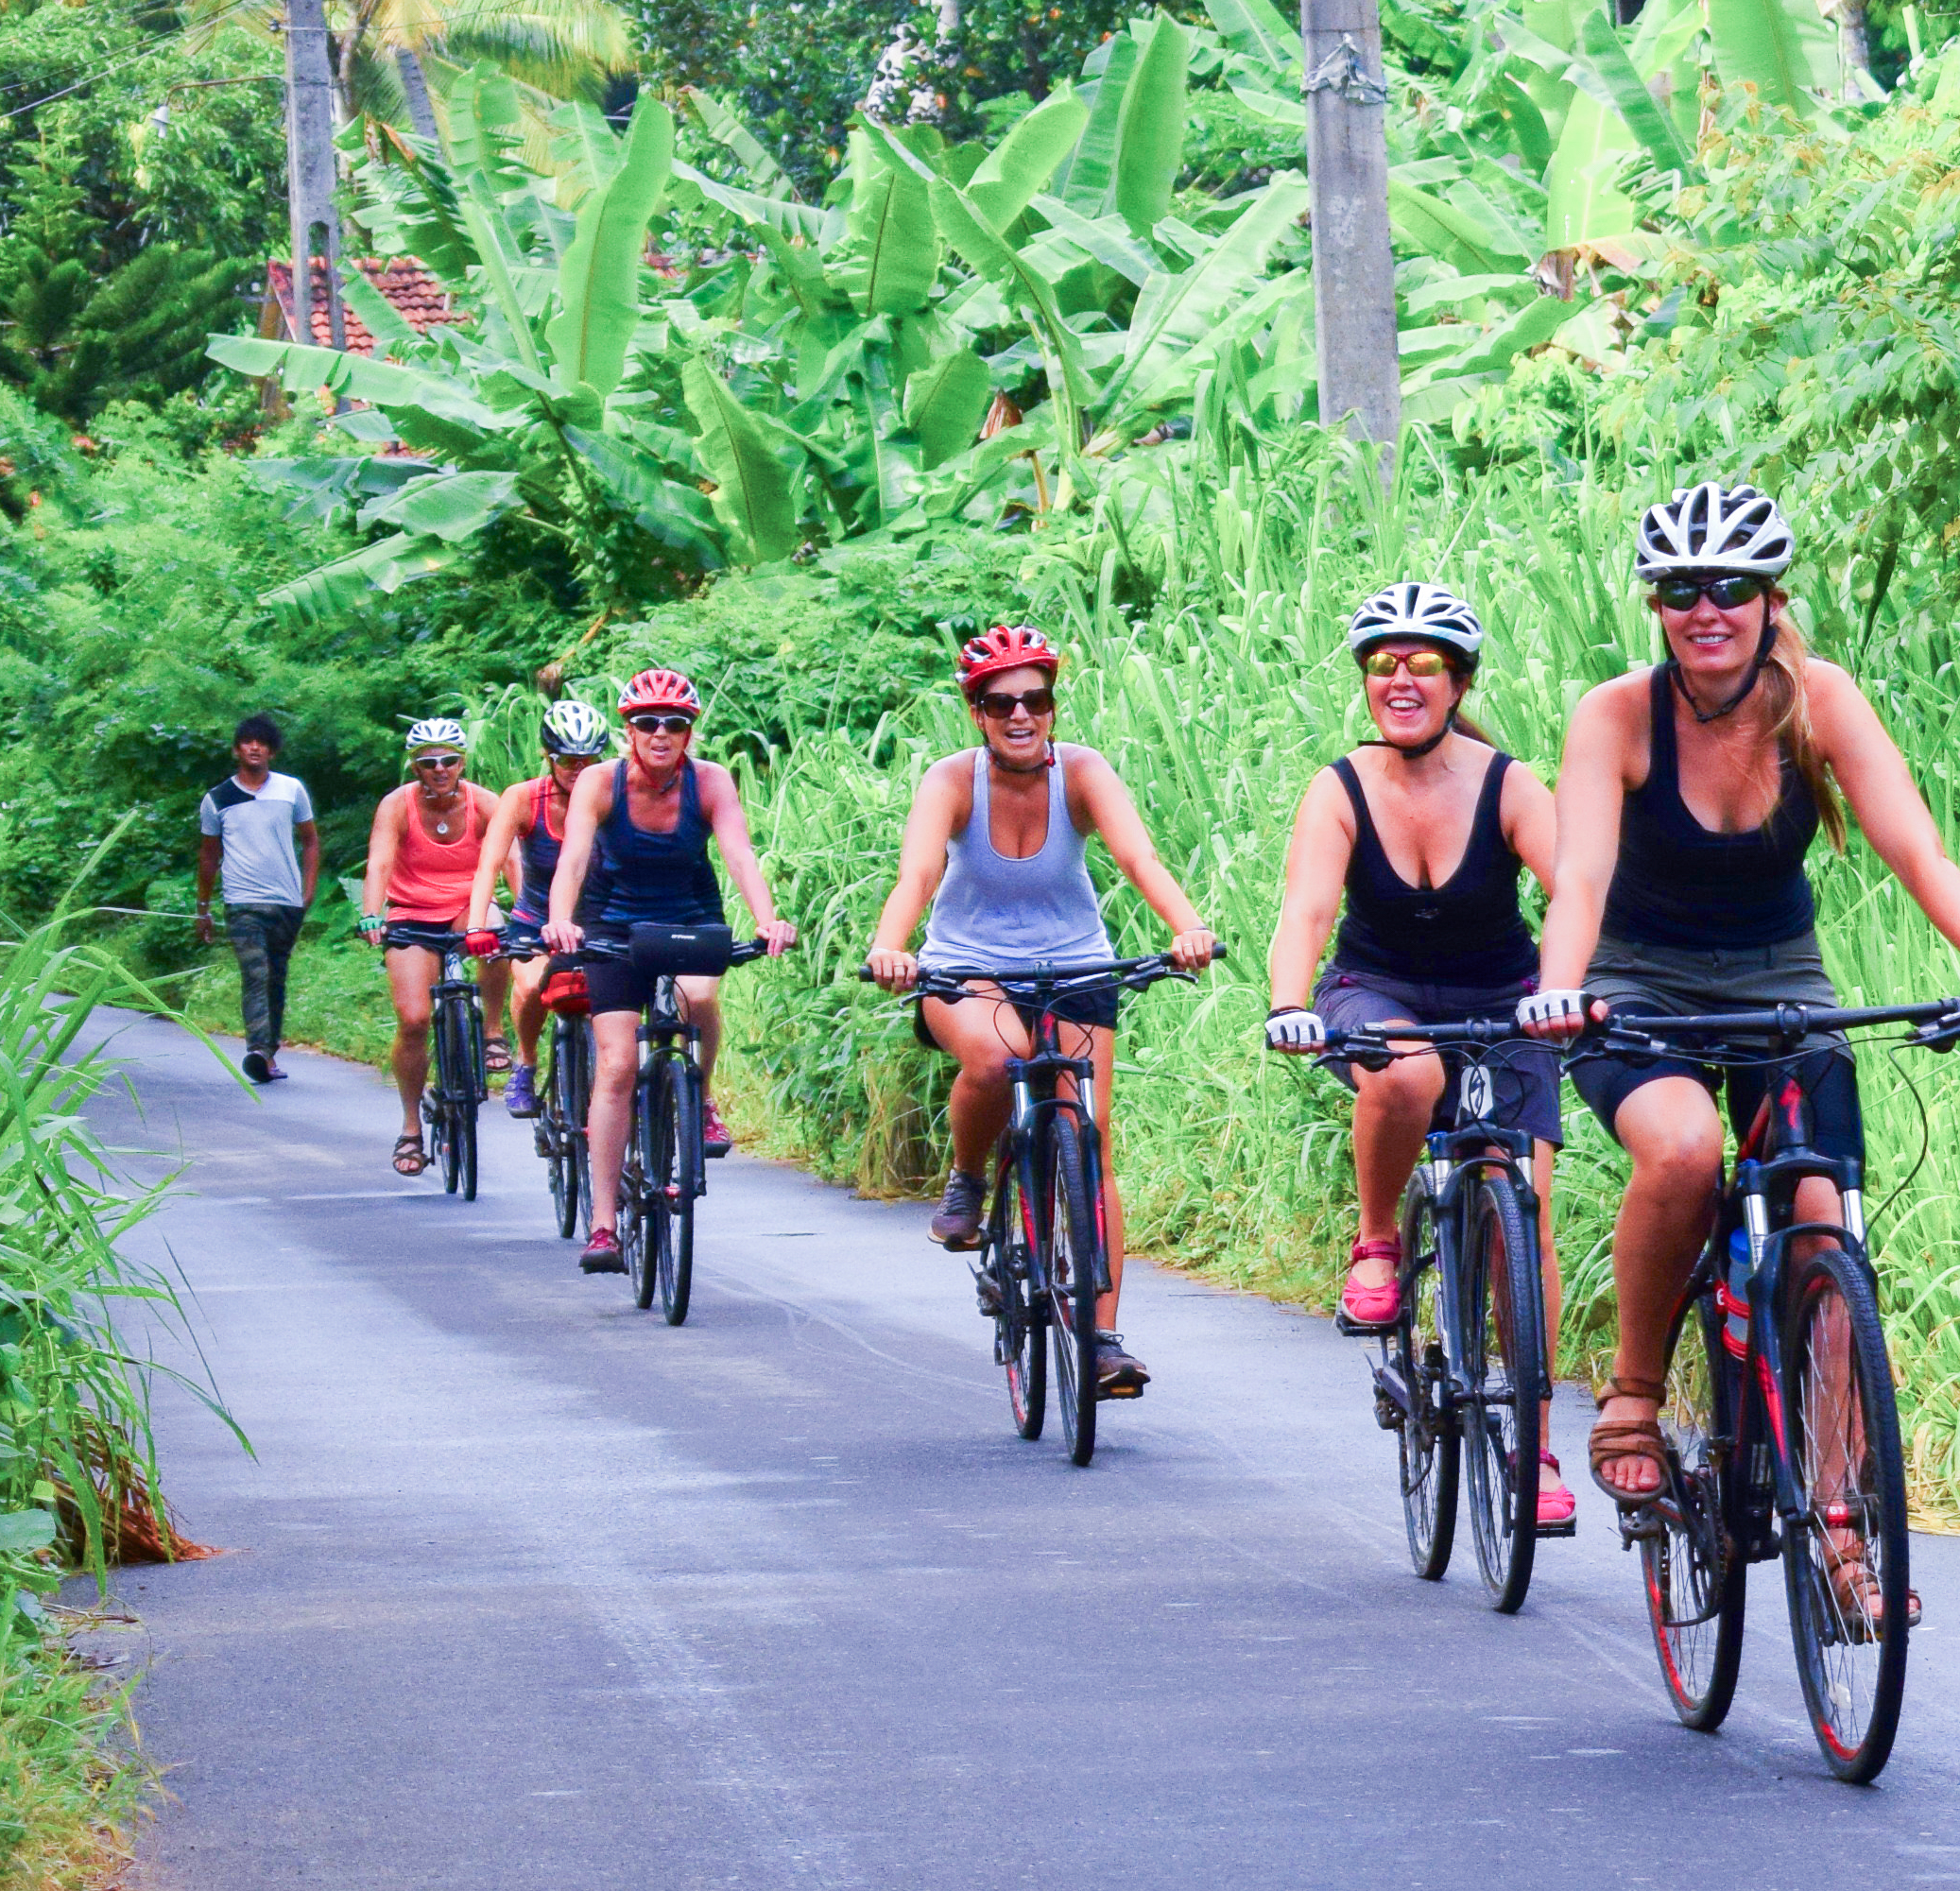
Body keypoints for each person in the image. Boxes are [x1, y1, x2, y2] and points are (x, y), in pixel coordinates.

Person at [1515, 487, 1960, 1586]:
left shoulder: (1821, 702)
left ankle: (1841, 1522)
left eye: (1730, 588)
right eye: (1678, 590)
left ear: (1771, 600)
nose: (1703, 610)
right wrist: (1559, 990)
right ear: (1656, 605)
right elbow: (1577, 875)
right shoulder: (1615, 714)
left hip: (1781, 989)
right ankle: (1629, 1396)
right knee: (1681, 1150)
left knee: (1822, 1226)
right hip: (1635, 990)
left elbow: (1918, 848)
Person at [1263, 581, 1577, 1532]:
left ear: (1460, 680)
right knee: (1407, 1071)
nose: (1401, 678)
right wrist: (1286, 1001)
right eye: (1382, 663)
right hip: (1376, 991)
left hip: (1503, 998)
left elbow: (1574, 893)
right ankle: (1376, 1242)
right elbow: (1308, 911)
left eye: (1425, 663)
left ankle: (1535, 1440)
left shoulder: (1511, 785)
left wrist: (1574, 988)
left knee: (1528, 1206)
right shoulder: (1342, 787)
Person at [863, 623, 1219, 1400]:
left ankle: (1102, 1341)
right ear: (976, 713)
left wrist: (1186, 928)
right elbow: (917, 875)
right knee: (999, 1055)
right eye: (1000, 703)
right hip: (967, 970)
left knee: (1088, 1138)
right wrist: (893, 947)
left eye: (1037, 699)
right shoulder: (953, 781)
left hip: (1076, 964)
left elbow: (1139, 857)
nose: (1020, 715)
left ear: (1054, 707)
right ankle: (966, 1180)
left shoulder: (1084, 772)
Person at [543, 666, 793, 1275]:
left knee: (699, 999)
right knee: (618, 1064)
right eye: (646, 722)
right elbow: (574, 858)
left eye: (675, 723)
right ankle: (603, 1224)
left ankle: (699, 1099)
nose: (661, 733)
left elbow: (738, 852)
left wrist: (767, 919)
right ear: (628, 729)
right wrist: (559, 920)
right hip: (614, 926)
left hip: (689, 916)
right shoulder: (599, 783)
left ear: (690, 732)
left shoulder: (710, 782)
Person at [359, 718, 500, 1175]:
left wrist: (528, 916)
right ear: (415, 766)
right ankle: (410, 1126)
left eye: (449, 760)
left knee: (497, 935)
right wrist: (370, 912)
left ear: (462, 762)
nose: (439, 769)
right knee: (415, 1019)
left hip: (467, 907)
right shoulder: (396, 806)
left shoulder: (485, 803)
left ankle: (493, 1031)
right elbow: (379, 861)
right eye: (428, 762)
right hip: (411, 913)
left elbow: (511, 858)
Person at [476, 699, 609, 1123]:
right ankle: (527, 1063)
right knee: (534, 987)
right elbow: (489, 863)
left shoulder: (616, 794)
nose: (578, 768)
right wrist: (478, 924)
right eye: (567, 759)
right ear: (547, 758)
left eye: (588, 759)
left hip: (598, 917)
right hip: (536, 917)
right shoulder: (523, 798)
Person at [190, 713, 318, 1084]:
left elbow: (310, 840)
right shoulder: (218, 799)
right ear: (236, 749)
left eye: (262, 742)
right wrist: (203, 909)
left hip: (286, 902)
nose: (255, 747)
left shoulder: (290, 790)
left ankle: (269, 1054)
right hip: (242, 902)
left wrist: (307, 890)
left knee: (276, 976)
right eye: (247, 741)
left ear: (272, 751)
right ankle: (257, 1049)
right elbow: (208, 856)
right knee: (255, 973)